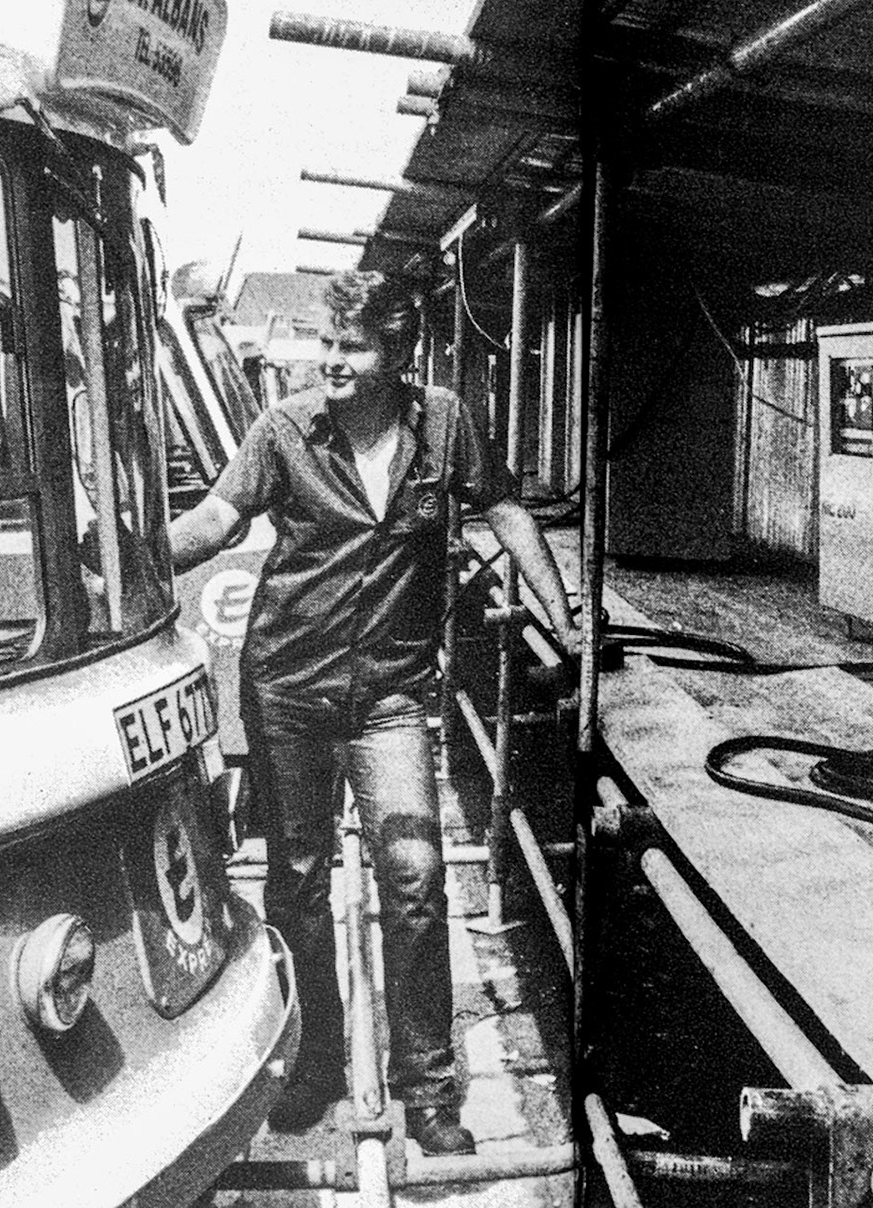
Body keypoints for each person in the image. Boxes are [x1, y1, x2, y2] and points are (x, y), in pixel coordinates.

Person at [170, 270, 576, 1156]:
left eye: (351, 347)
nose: (332, 363)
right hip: (287, 688)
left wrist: (564, 619)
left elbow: (504, 509)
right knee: (299, 884)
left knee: (417, 880)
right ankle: (317, 1062)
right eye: (326, 345)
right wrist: (129, 562)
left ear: (398, 354)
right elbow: (216, 518)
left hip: (390, 695)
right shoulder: (286, 428)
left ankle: (428, 1092)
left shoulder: (444, 423)